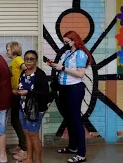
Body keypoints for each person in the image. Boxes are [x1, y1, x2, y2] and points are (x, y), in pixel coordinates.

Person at [51, 31, 92, 163]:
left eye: (67, 41)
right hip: (64, 89)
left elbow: (80, 74)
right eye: (65, 42)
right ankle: (73, 147)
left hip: (74, 89)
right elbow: (63, 67)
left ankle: (81, 154)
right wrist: (54, 66)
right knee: (69, 119)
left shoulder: (80, 53)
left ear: (75, 40)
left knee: (75, 121)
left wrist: (62, 68)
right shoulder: (68, 53)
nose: (65, 44)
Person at [13, 50, 49, 163]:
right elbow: (23, 87)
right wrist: (17, 91)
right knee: (27, 134)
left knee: (33, 135)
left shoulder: (40, 75)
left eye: (31, 59)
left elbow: (44, 93)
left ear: (36, 61)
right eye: (26, 58)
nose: (29, 61)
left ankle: (38, 161)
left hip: (36, 109)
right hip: (23, 108)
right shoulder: (23, 73)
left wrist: (27, 93)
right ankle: (29, 158)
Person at [6, 42, 28, 161]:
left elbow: (26, 69)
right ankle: (21, 145)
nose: (7, 51)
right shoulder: (14, 61)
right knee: (15, 120)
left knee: (15, 120)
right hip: (15, 93)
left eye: (8, 49)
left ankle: (24, 149)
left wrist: (22, 87)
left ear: (14, 50)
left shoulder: (18, 59)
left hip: (18, 94)